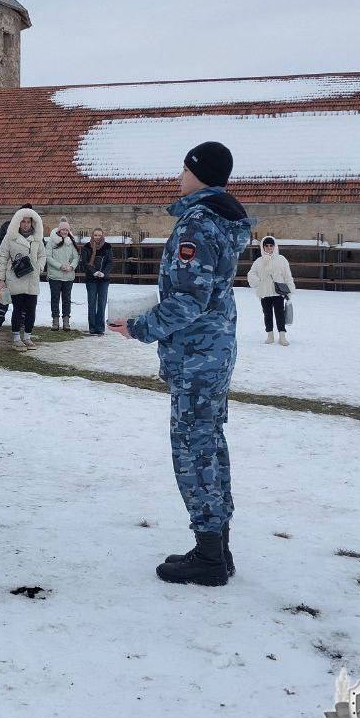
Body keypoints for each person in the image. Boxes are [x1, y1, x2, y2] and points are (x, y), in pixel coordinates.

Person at [109, 141, 253, 587]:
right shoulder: (223, 221)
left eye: (185, 167)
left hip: (196, 356)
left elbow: (189, 299)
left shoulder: (198, 223)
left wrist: (139, 327)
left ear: (199, 172)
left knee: (193, 450)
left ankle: (210, 556)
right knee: (209, 446)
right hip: (213, 350)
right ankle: (216, 547)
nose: (179, 174)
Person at [0, 207, 46, 352]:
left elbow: (42, 255)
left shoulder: (37, 238)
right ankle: (17, 337)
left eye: (28, 221)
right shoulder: (10, 237)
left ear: (32, 223)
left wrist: (40, 267)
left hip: (32, 277)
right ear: (18, 222)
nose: (25, 224)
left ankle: (28, 336)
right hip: (15, 276)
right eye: (23, 221)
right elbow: (2, 257)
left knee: (31, 309)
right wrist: (1, 278)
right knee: (18, 309)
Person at [247, 236, 296, 346]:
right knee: (267, 314)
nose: (269, 248)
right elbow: (251, 274)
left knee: (280, 314)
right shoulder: (259, 261)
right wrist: (258, 281)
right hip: (264, 293)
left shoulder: (281, 259)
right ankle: (270, 335)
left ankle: (282, 336)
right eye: (266, 246)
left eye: (271, 245)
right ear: (263, 247)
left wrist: (290, 290)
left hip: (278, 292)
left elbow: (288, 275)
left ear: (274, 246)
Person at [0, 204, 31, 327]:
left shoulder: (34, 230)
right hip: (9, 266)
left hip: (26, 269)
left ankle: (22, 321)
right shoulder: (7, 227)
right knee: (3, 293)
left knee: (24, 296)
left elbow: (39, 248)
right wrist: (9, 257)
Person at [45, 218, 79, 331]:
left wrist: (71, 266)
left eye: (66, 230)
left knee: (66, 299)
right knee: (55, 298)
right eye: (63, 230)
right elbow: (48, 257)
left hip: (68, 276)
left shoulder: (71, 242)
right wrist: (60, 266)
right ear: (59, 230)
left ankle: (66, 320)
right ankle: (55, 320)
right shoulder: (51, 242)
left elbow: (76, 257)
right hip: (55, 275)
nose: (64, 232)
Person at [79, 227, 113, 335]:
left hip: (104, 279)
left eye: (99, 235)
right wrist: (93, 272)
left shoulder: (107, 247)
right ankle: (92, 327)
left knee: (102, 303)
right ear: (92, 235)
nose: (97, 237)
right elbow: (84, 263)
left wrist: (104, 272)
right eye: (95, 235)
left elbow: (110, 262)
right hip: (91, 279)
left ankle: (100, 327)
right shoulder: (87, 247)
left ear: (102, 235)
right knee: (92, 303)